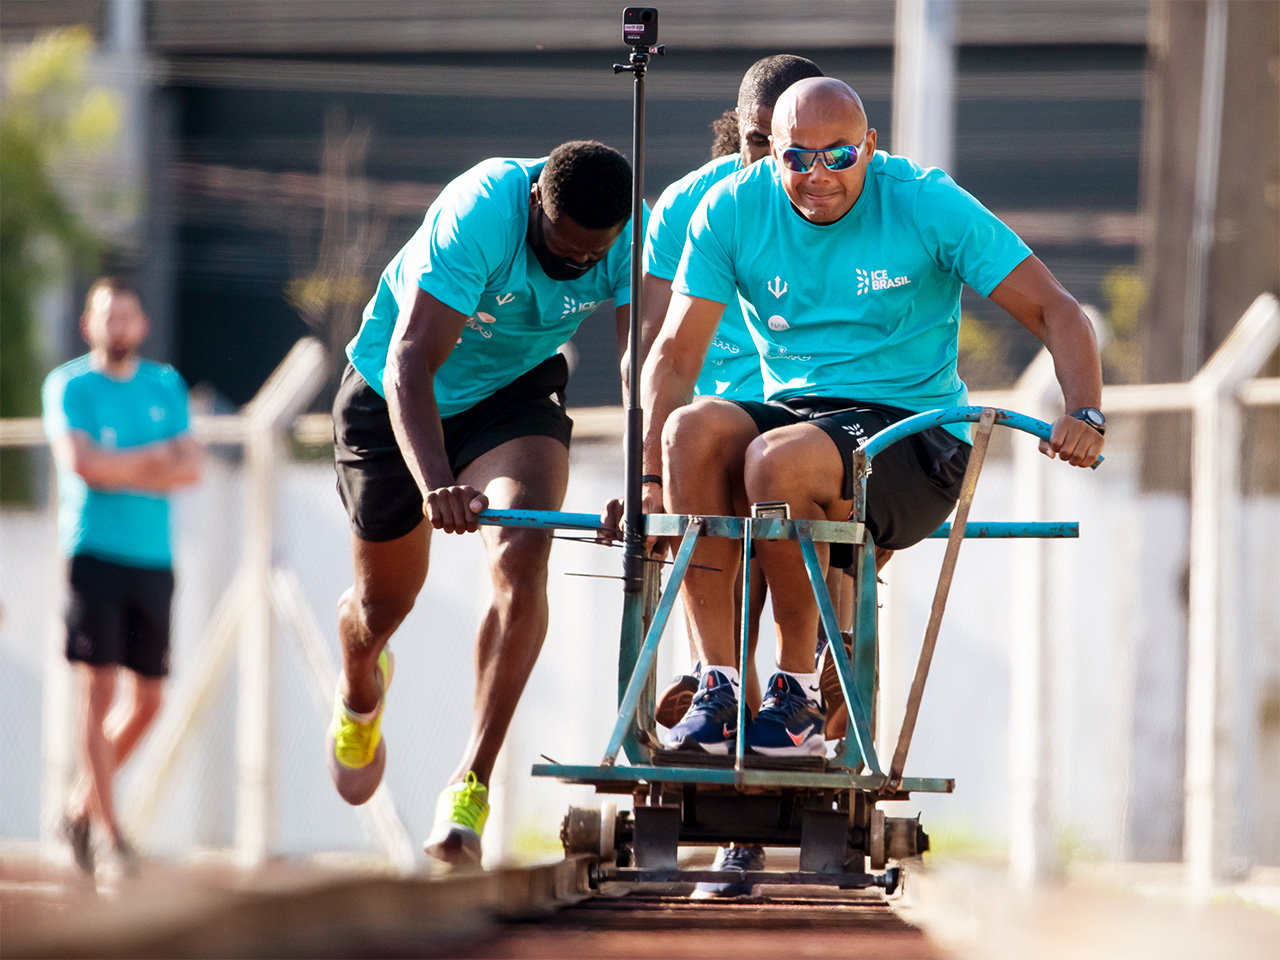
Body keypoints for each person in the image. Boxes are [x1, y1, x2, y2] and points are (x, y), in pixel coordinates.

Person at [642, 77, 1104, 761]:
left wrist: (1085, 408)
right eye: (798, 158)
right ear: (771, 154)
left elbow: (1055, 309)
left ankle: (796, 693)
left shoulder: (924, 201)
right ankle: (719, 686)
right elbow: (674, 358)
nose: (818, 175)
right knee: (693, 432)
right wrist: (651, 483)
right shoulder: (730, 207)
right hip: (797, 415)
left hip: (913, 433)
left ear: (870, 147)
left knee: (774, 461)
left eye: (839, 156)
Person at [330, 140, 636, 868]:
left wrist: (645, 477)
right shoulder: (483, 210)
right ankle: (359, 688)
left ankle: (469, 784)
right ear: (537, 207)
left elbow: (643, 365)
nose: (577, 268)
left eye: (593, 257)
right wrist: (436, 481)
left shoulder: (631, 235)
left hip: (512, 397)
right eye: (563, 252)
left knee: (522, 555)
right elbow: (410, 360)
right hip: (398, 397)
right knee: (383, 607)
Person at [640, 54, 823, 899]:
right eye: (755, 143)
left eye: (779, 146)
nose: (767, 163)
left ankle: (798, 750)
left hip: (805, 434)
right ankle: (729, 813)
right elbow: (656, 350)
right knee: (717, 596)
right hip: (709, 439)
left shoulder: (824, 200)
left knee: (819, 576)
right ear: (740, 130)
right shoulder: (691, 206)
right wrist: (646, 474)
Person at [42, 277, 203, 880]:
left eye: (128, 314)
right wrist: (151, 462)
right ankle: (111, 835)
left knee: (150, 700)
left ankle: (80, 809)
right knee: (99, 692)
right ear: (89, 324)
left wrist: (122, 468)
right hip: (94, 553)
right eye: (108, 315)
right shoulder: (70, 385)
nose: (119, 325)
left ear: (143, 324)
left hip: (153, 559)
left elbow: (191, 470)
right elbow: (83, 466)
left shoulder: (165, 385)